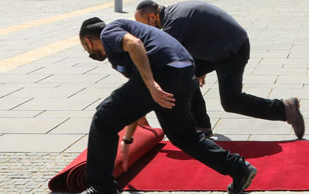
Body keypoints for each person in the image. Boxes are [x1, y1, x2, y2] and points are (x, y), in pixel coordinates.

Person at [77, 17, 258, 194]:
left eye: (86, 49)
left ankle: (102, 188)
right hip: (185, 71)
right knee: (184, 136)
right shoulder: (122, 46)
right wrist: (128, 139)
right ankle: (239, 169)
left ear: (88, 41)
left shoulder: (109, 33)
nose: (89, 53)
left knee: (103, 119)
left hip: (163, 72)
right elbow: (134, 104)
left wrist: (153, 85)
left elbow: (134, 44)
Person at [135, 0, 305, 139]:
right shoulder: (173, 13)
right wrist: (196, 69)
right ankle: (201, 124)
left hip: (232, 50)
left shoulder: (173, 25)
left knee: (231, 101)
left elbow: (160, 64)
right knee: (186, 75)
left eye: (144, 27)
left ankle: (285, 108)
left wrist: (138, 106)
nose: (146, 33)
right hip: (220, 46)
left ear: (152, 17)